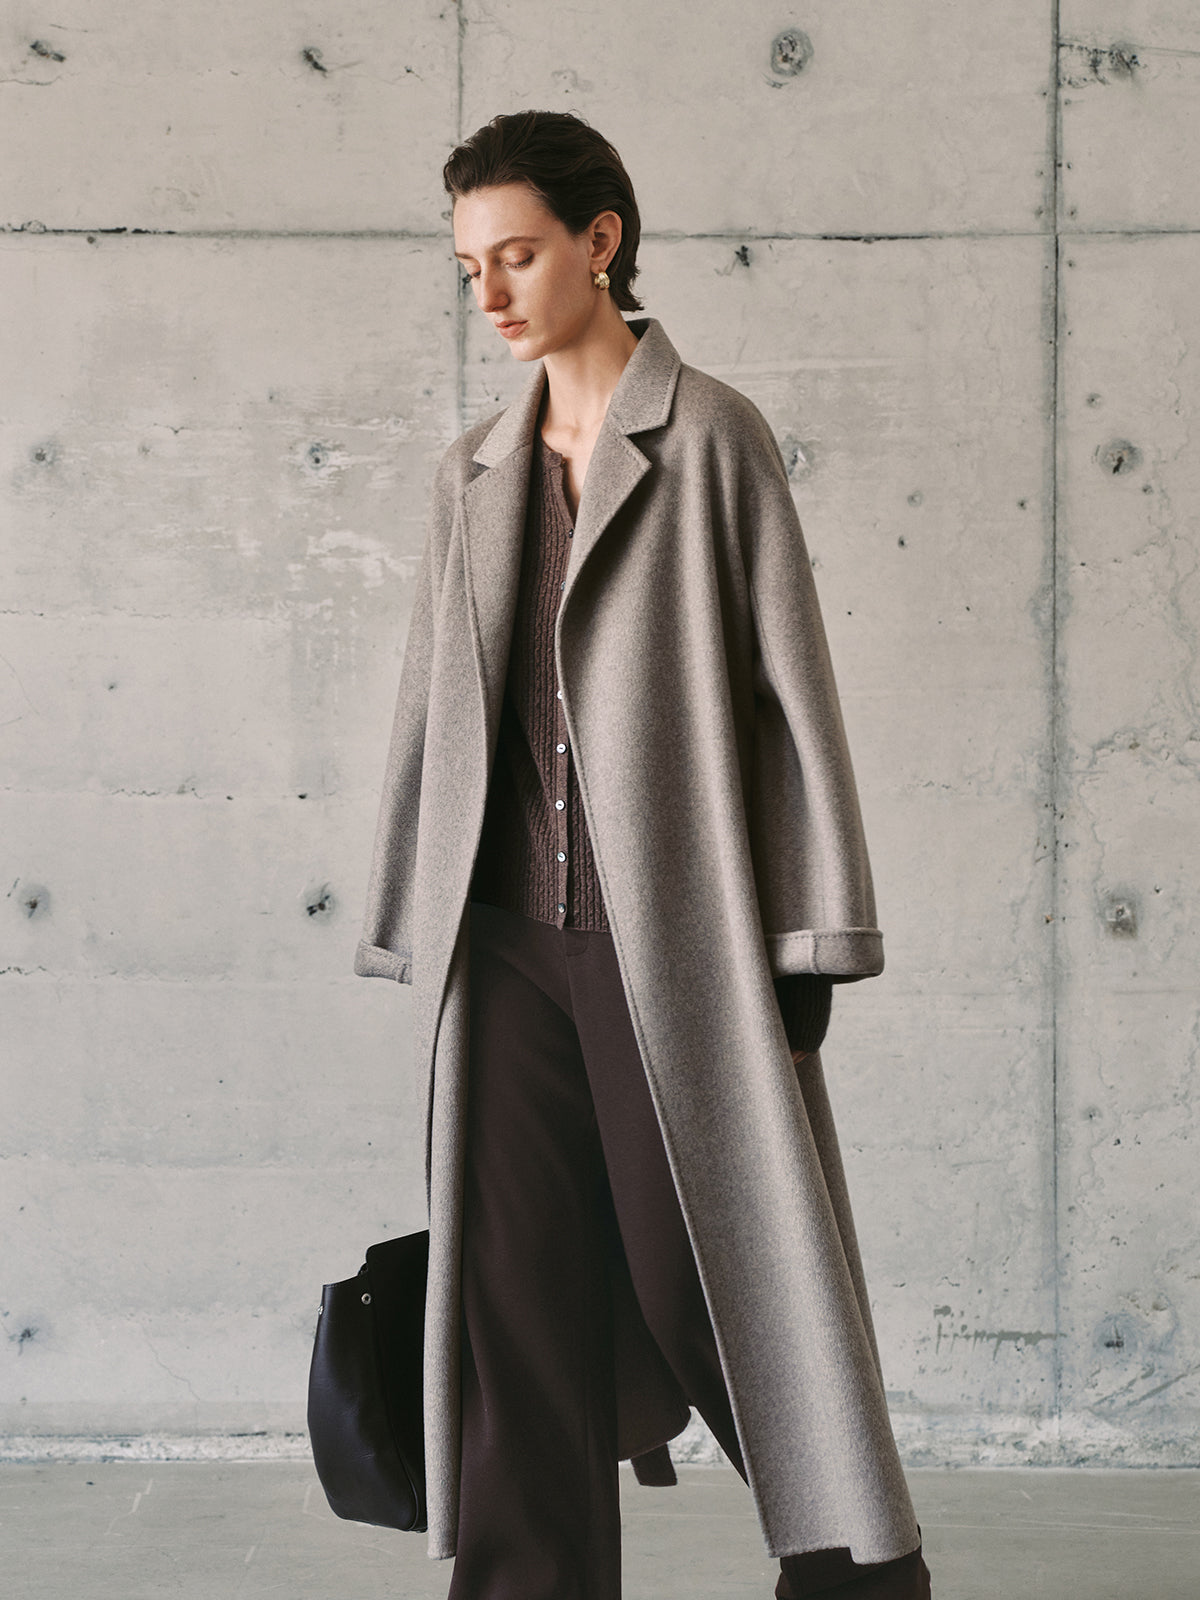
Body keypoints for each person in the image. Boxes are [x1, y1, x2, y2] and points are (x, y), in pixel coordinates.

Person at [354, 108, 932, 1599]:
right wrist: (405, 910)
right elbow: (434, 704)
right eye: (470, 265)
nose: (489, 293)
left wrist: (813, 935)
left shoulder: (711, 438)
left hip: (668, 939)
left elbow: (793, 697)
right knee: (513, 1308)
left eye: (519, 253)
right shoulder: (469, 472)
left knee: (714, 1281)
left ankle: (856, 1565)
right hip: (503, 950)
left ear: (601, 241)